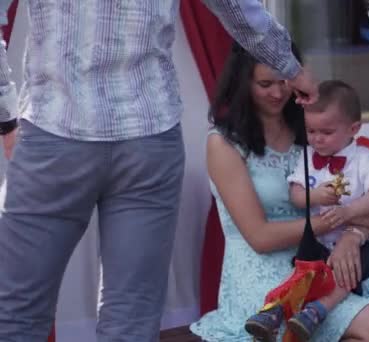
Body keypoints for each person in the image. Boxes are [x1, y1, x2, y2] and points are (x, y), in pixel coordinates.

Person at [0, 1, 318, 341]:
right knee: (132, 317)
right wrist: (289, 66)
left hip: (57, 132)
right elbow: (235, 7)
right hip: (148, 136)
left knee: (19, 309)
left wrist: (5, 116)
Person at [190, 43, 369, 341]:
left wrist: (353, 237)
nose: (278, 93)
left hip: (325, 258)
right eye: (265, 84)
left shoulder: (314, 130)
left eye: (284, 81)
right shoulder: (224, 143)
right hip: (264, 273)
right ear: (243, 83)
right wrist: (333, 222)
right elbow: (260, 238)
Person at [245, 80, 369, 341]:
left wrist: (349, 212)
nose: (317, 138)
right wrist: (314, 195)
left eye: (326, 132)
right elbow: (296, 194)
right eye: (311, 131)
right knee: (305, 268)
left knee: (347, 269)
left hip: (366, 245)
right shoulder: (307, 156)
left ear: (353, 128)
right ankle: (275, 310)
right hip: (323, 241)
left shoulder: (363, 158)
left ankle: (319, 310)